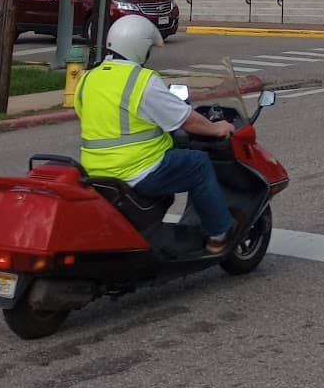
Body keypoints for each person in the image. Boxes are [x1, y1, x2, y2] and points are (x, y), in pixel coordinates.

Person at [75, 14, 237, 254]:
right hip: (136, 170)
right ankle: (219, 234)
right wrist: (217, 128)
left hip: (94, 171)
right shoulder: (141, 81)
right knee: (199, 164)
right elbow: (186, 120)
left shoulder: (88, 78)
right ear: (140, 48)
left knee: (179, 156)